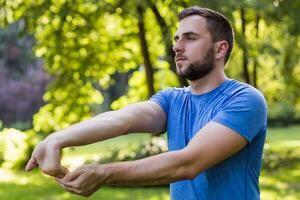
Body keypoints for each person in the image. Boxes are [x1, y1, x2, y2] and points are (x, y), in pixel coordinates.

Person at [25, 6, 267, 200]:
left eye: (190, 38)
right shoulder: (172, 99)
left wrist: (104, 173)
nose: (177, 47)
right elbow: (121, 120)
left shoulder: (245, 100)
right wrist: (57, 139)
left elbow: (188, 163)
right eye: (176, 39)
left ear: (220, 49)